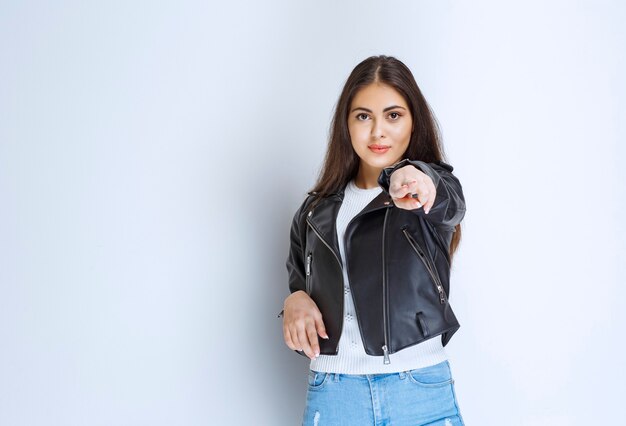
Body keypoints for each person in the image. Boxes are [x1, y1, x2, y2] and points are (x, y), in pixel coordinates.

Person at [280, 55, 467, 426]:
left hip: (419, 390)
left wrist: (417, 180)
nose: (378, 131)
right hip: (334, 394)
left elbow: (449, 203)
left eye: (393, 115)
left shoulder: (426, 191)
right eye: (363, 116)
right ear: (346, 125)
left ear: (414, 122)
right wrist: (293, 300)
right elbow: (299, 279)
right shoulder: (315, 212)